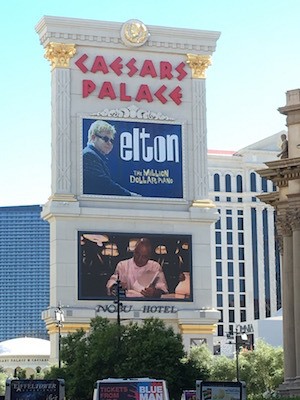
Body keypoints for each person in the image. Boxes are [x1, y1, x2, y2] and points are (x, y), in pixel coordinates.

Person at [83, 120, 140, 196]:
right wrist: (130, 195)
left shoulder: (95, 156)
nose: (109, 143)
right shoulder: (89, 155)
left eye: (111, 140)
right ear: (93, 138)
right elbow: (104, 184)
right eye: (106, 139)